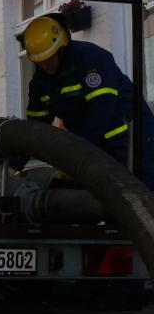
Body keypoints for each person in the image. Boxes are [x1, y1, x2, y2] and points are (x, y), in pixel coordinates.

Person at [21, 11, 154, 189]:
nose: (45, 65)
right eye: (39, 61)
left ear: (62, 48)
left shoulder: (90, 59)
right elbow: (34, 130)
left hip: (135, 140)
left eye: (49, 58)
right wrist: (13, 165)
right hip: (97, 148)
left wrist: (76, 154)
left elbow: (101, 109)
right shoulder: (40, 84)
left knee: (143, 197)